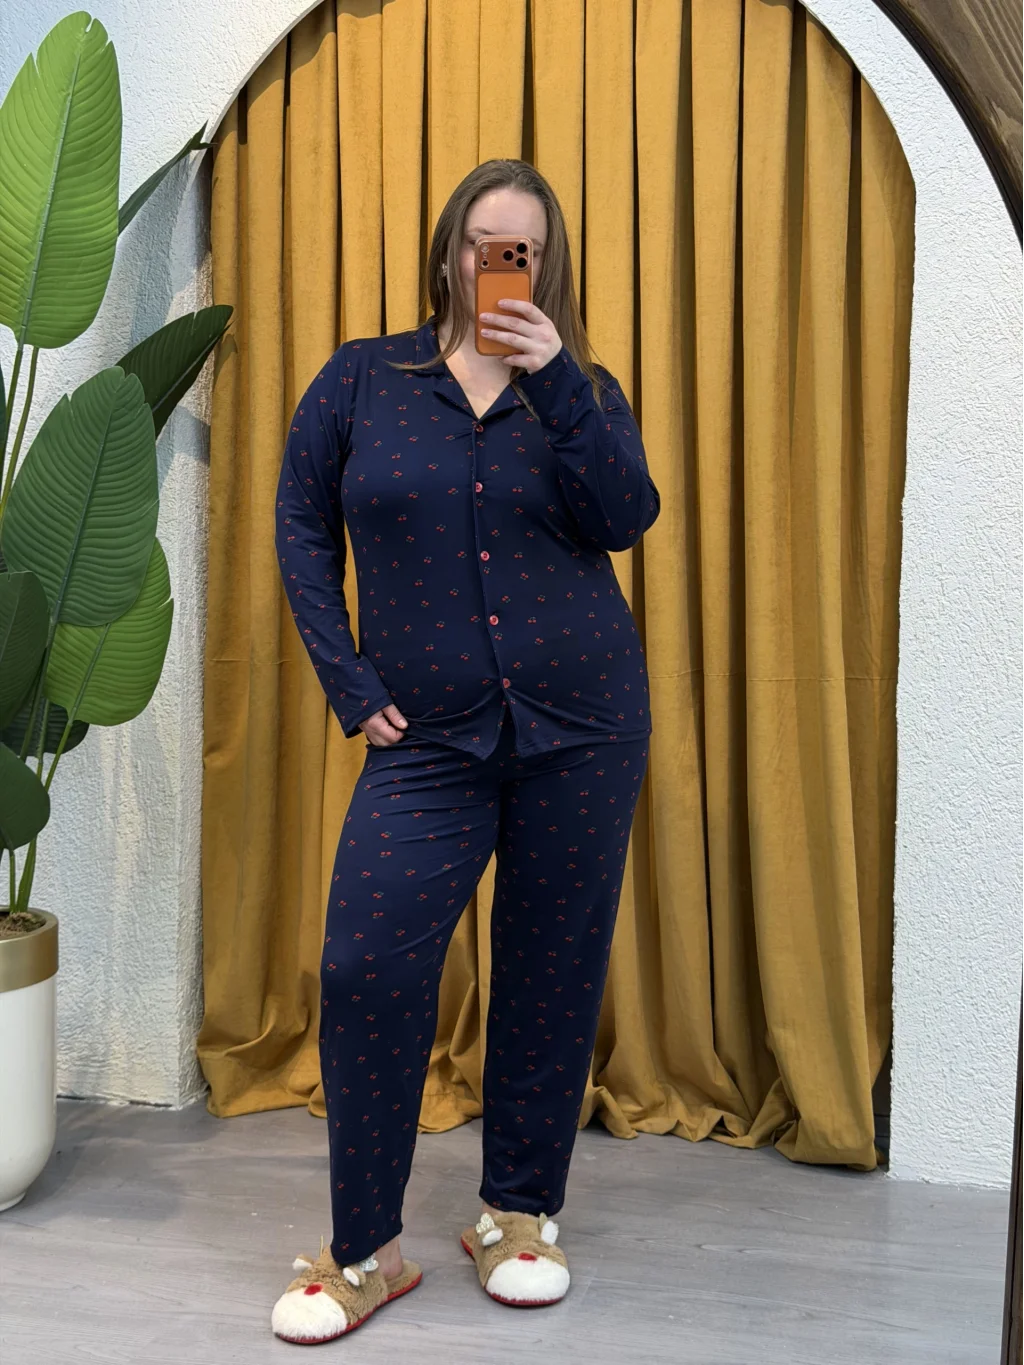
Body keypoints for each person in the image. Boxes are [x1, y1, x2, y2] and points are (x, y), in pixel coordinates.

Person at [270, 158, 660, 1344]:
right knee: (365, 965)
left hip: (582, 726)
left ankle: (518, 1216)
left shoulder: (581, 389)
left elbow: (626, 518)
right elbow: (299, 525)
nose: (501, 266)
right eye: (483, 244)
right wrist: (348, 682)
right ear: (448, 253)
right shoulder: (362, 380)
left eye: (522, 250)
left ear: (546, 265)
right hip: (426, 739)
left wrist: (560, 387)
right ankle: (364, 1251)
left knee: (550, 967)